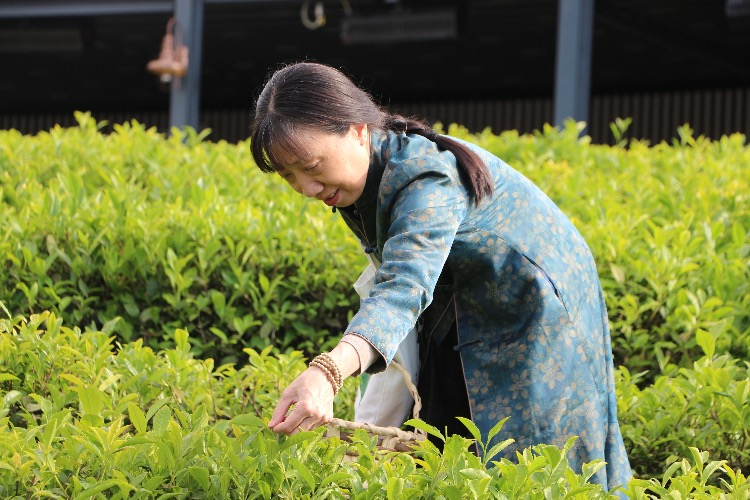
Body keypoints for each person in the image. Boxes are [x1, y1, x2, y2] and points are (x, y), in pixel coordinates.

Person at [249, 61, 632, 492]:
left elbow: (403, 287)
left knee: (535, 466)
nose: (307, 189)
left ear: (357, 130)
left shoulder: (426, 178)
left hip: (537, 312)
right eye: (288, 176)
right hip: (458, 310)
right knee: (442, 453)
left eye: (312, 165)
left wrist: (327, 372)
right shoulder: (357, 181)